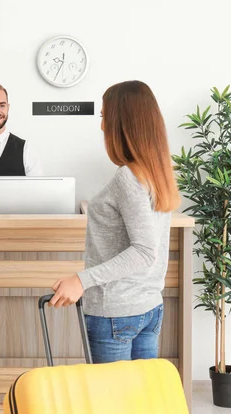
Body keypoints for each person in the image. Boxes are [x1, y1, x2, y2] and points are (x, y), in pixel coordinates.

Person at [48, 80, 180, 363]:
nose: (102, 126)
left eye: (104, 116)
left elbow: (145, 250)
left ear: (122, 122)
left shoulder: (127, 178)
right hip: (149, 308)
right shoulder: (157, 173)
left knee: (110, 400)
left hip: (115, 313)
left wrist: (81, 280)